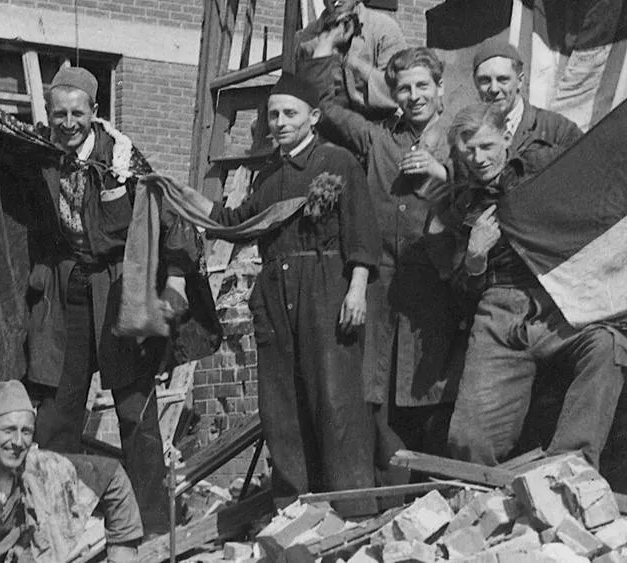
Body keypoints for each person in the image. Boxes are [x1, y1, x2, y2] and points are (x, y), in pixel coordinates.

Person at [24, 66, 219, 535]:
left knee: (135, 410)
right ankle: (56, 520)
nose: (67, 123)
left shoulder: (122, 157)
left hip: (119, 293)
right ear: (48, 115)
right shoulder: (41, 152)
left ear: (94, 113)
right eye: (59, 114)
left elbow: (170, 218)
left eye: (77, 113)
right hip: (65, 294)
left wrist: (173, 281)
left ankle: (151, 525)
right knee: (57, 412)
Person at [185, 73, 380, 513]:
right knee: (281, 404)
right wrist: (184, 198)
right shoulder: (268, 175)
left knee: (334, 398)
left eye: (289, 113)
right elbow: (234, 222)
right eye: (273, 114)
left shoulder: (339, 162)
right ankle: (294, 506)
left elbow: (361, 231)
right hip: (274, 292)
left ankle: (350, 509)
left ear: (312, 117)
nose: (279, 121)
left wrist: (358, 289)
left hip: (326, 288)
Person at [428, 102, 625, 467]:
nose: (479, 158)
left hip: (562, 305)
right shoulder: (459, 204)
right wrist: (474, 259)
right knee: (469, 441)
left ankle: (569, 467)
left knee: (608, 346)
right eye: (468, 151)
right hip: (501, 315)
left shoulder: (545, 167)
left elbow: (602, 175)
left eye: (487, 146)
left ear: (506, 137)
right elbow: (458, 294)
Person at [301, 33, 464, 462]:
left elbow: (492, 187)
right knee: (378, 389)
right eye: (405, 89)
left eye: (422, 86)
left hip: (438, 288)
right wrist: (325, 50)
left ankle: (435, 492)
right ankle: (389, 496)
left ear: (439, 88)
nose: (414, 97)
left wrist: (443, 172)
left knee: (433, 391)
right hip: (381, 289)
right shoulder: (378, 139)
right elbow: (324, 108)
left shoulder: (461, 136)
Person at [0, 380, 143, 562]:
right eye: (8, 430)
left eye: (26, 431)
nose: (18, 441)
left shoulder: (35, 466)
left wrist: (123, 548)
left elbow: (110, 475)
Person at [471, 37, 582, 156]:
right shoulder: (469, 132)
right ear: (476, 83)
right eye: (485, 80)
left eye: (502, 79)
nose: (494, 89)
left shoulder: (557, 129)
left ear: (520, 81)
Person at [297, 0, 407, 119]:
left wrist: (348, 61)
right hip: (324, 124)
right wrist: (327, 42)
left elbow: (396, 92)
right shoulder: (309, 35)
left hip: (376, 125)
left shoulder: (384, 29)